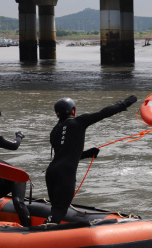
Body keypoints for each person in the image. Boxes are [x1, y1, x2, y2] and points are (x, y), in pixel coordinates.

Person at [45, 96, 137, 224]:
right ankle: (40, 234)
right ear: (73, 110)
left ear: (57, 113)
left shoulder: (54, 131)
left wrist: (88, 153)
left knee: (56, 209)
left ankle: (47, 232)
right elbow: (103, 113)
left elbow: (65, 154)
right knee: (60, 210)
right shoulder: (79, 121)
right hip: (65, 173)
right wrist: (123, 105)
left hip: (51, 172)